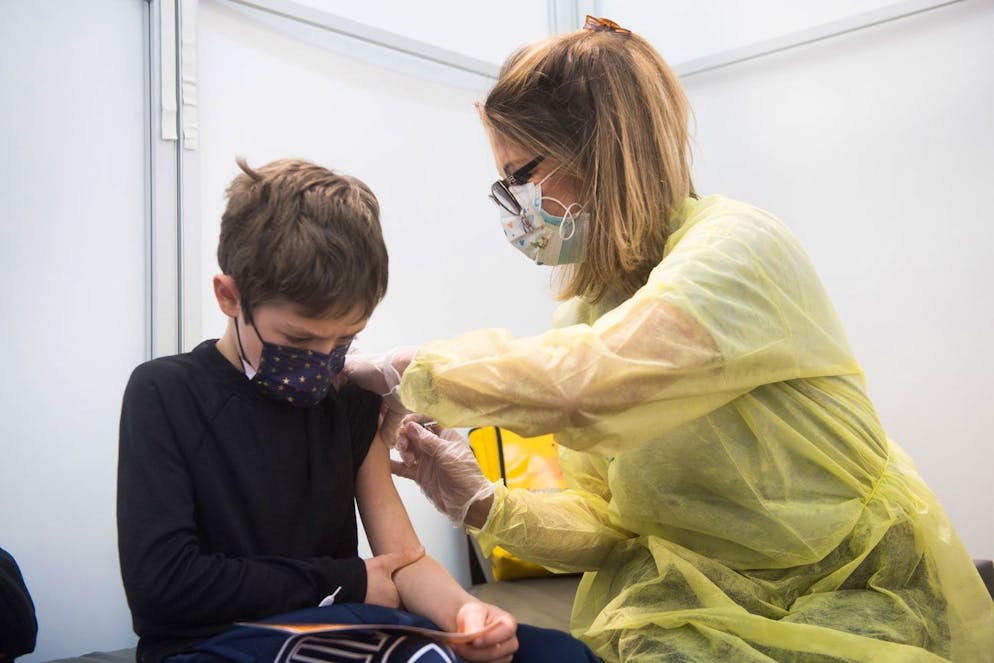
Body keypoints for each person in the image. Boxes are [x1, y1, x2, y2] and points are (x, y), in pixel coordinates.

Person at [344, 16, 994, 663]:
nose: (514, 205)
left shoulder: (738, 249)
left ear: (595, 150)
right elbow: (610, 526)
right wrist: (483, 504)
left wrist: (411, 371)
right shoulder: (588, 313)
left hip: (846, 590)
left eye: (520, 176)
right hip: (703, 610)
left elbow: (588, 382)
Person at [117, 158, 598, 663]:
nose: (324, 360)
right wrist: (348, 581)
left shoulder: (347, 397)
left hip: (339, 627)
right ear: (230, 297)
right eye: (299, 339)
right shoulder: (165, 393)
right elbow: (163, 587)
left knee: (558, 654)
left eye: (345, 339)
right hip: (217, 643)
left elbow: (403, 562)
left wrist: (467, 615)